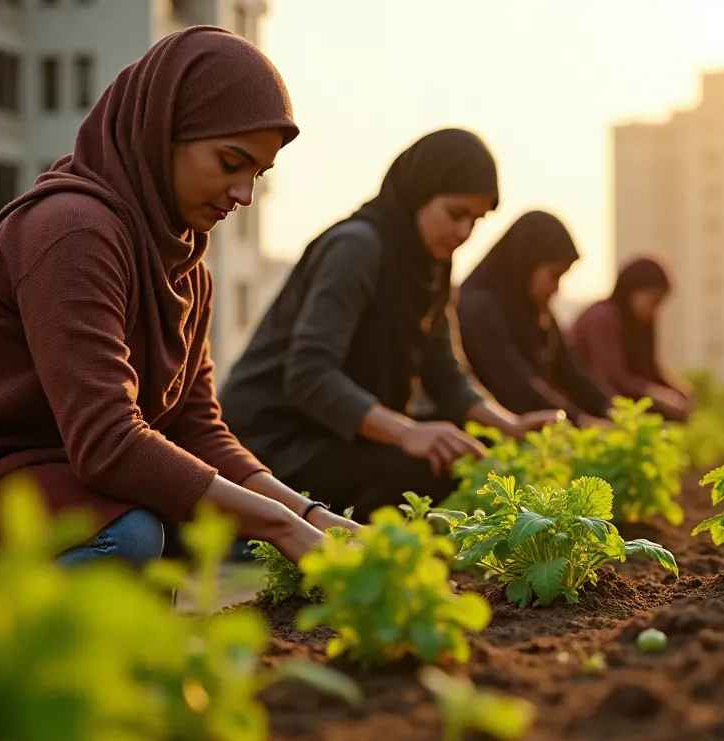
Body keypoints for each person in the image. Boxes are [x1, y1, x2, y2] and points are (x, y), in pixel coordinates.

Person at [0, 27, 347, 631]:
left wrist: (311, 514)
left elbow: (197, 430)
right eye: (231, 163)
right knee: (131, 535)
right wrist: (283, 526)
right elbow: (109, 443)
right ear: (161, 132)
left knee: (208, 520)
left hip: (32, 489)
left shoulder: (182, 267)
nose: (244, 194)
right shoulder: (74, 231)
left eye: (258, 172)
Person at [219, 129, 561, 517]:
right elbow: (309, 375)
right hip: (273, 440)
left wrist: (509, 426)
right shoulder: (357, 248)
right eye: (456, 214)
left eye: (476, 220)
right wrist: (408, 434)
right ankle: (315, 538)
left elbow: (444, 374)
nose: (464, 233)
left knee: (459, 450)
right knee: (429, 464)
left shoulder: (430, 264)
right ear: (420, 193)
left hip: (334, 436)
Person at [457, 210, 612, 426]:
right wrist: (580, 421)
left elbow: (572, 374)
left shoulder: (535, 309)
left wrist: (614, 410)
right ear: (526, 264)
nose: (556, 287)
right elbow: (516, 384)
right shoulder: (479, 308)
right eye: (554, 275)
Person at [569, 255, 694, 422]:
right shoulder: (602, 317)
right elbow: (611, 377)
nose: (653, 311)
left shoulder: (640, 324)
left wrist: (677, 390)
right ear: (633, 291)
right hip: (586, 408)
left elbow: (650, 370)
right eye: (652, 301)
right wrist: (658, 396)